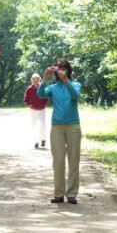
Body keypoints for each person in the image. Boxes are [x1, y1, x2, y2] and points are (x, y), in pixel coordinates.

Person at [37, 58, 82, 204]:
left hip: (73, 125)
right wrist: (44, 78)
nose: (61, 70)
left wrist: (66, 81)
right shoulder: (53, 87)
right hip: (57, 126)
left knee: (74, 159)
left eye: (63, 68)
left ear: (68, 70)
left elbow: (75, 95)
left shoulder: (75, 84)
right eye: (58, 68)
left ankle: (72, 194)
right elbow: (41, 94)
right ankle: (58, 194)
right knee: (58, 161)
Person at [24, 73, 48, 149]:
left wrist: (43, 105)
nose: (35, 81)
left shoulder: (42, 87)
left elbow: (46, 97)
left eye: (37, 79)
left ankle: (43, 139)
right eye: (34, 80)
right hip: (33, 110)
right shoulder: (29, 89)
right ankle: (36, 142)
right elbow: (26, 99)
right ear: (32, 80)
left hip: (42, 109)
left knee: (42, 125)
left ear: (39, 79)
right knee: (34, 125)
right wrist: (29, 105)